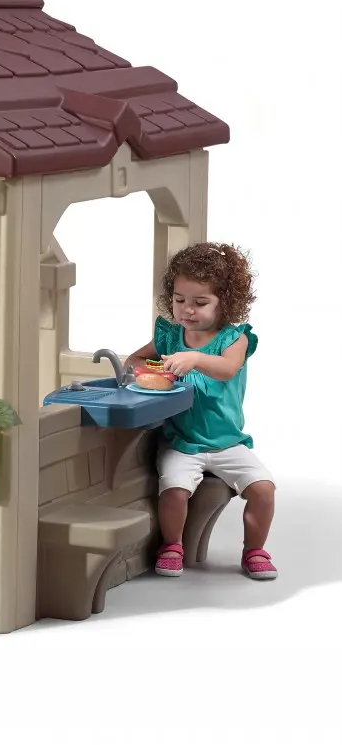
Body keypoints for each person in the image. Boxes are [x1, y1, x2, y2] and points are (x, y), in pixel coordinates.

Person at [125, 242, 276, 580]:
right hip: (181, 442)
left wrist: (194, 358)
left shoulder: (233, 339)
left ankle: (254, 550)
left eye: (200, 302)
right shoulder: (170, 337)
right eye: (179, 300)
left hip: (227, 442)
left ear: (226, 302)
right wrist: (152, 371)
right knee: (174, 491)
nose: (187, 310)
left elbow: (226, 369)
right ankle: (172, 546)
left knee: (264, 490)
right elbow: (134, 359)